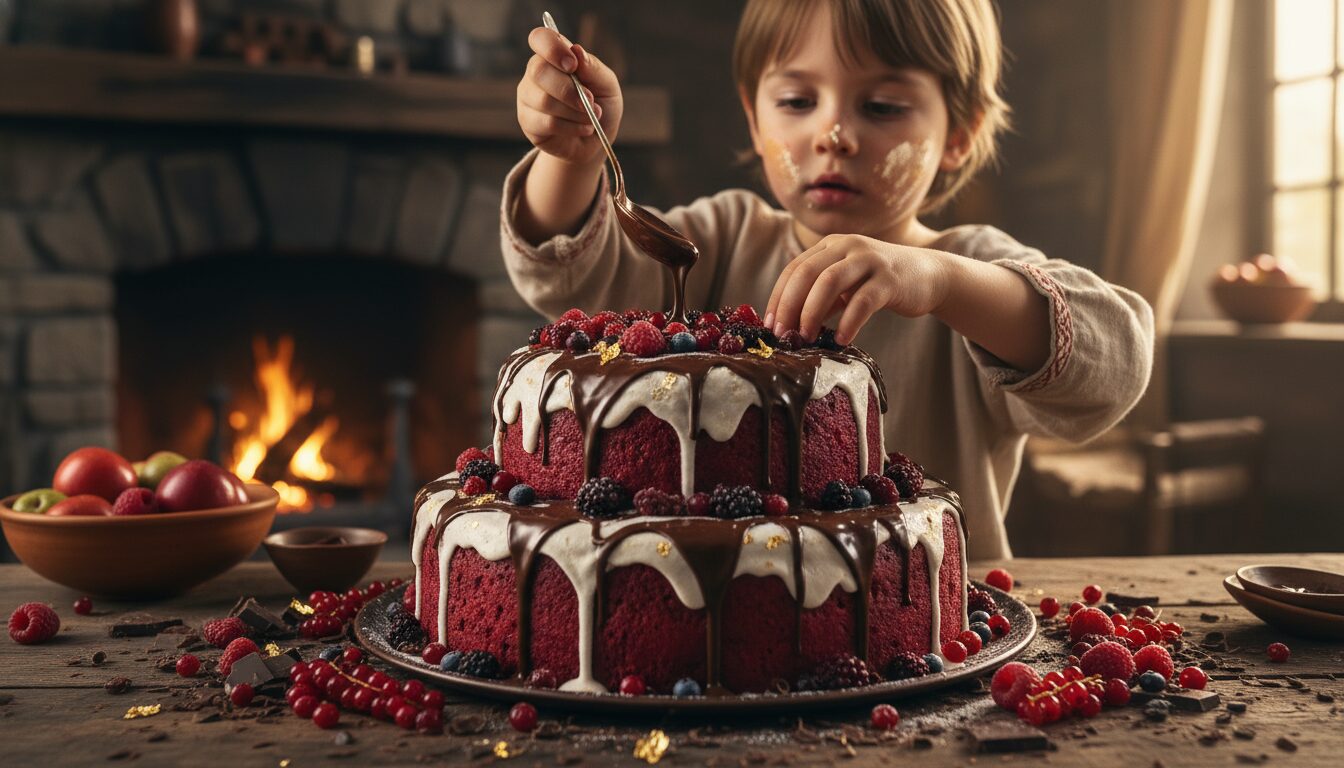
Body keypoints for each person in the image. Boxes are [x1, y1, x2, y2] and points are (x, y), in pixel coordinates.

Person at [501, 0, 1154, 559]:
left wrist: (943, 283)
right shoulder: (719, 241)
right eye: (796, 101)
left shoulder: (971, 275)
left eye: (882, 105)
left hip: (931, 645)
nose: (834, 134)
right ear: (755, 119)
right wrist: (573, 157)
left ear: (960, 133)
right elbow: (573, 283)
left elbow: (1115, 361)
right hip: (720, 639)